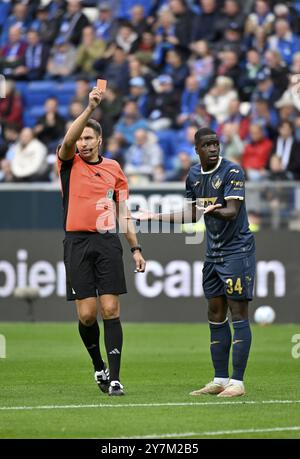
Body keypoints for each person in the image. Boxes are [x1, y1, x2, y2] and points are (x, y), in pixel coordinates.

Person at [131, 127, 255, 398]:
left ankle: (238, 382)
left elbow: (232, 211)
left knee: (238, 312)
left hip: (237, 251)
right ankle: (220, 379)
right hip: (213, 254)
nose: (213, 148)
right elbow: (190, 215)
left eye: (216, 144)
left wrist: (215, 210)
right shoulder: (195, 176)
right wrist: (154, 216)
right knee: (214, 312)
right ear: (196, 149)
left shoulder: (232, 171)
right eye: (207, 145)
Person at [56, 86, 145, 396]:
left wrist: (135, 247)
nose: (82, 143)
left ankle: (116, 378)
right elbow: (66, 141)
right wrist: (90, 108)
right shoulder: (69, 162)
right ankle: (98, 367)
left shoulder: (113, 169)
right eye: (81, 138)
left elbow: (123, 211)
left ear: (99, 141)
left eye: (88, 138)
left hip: (107, 243)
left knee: (110, 309)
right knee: (86, 314)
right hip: (77, 244)